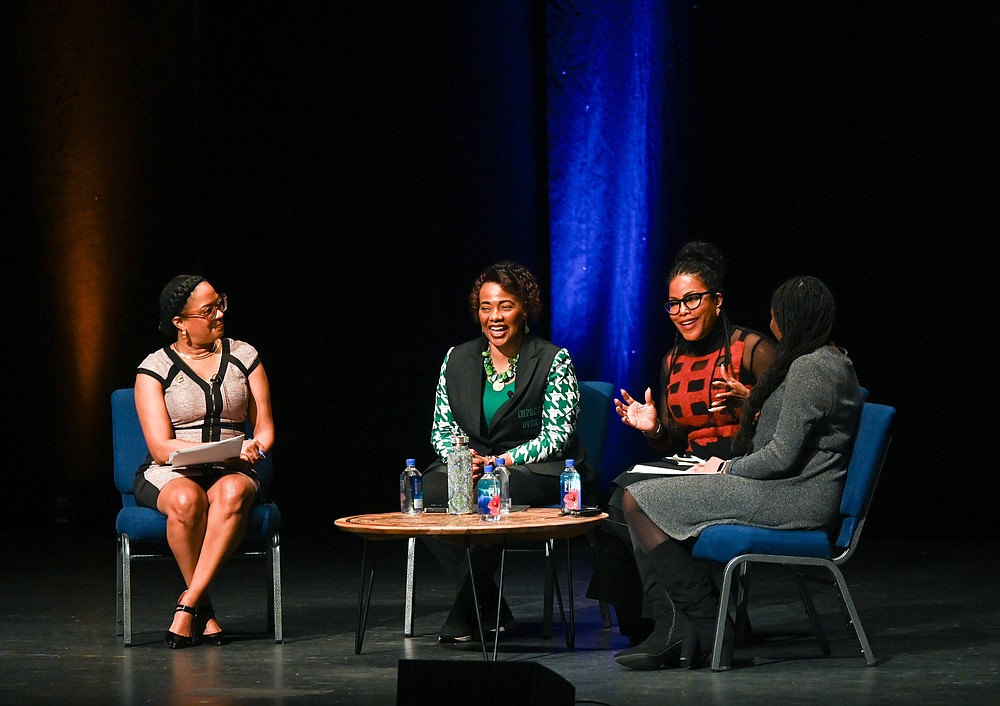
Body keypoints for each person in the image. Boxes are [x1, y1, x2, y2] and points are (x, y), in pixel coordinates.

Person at [614, 275, 863, 670]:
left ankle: (708, 624)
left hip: (791, 496)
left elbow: (780, 456)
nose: (772, 324)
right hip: (790, 489)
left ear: (790, 319)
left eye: (775, 316)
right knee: (642, 495)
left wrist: (725, 467)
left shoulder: (811, 368)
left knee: (636, 500)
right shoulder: (829, 360)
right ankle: (684, 628)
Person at [587, 241, 777, 643]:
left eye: (692, 300)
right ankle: (655, 623)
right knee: (615, 505)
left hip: (740, 468)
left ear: (717, 300)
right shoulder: (672, 360)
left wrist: (749, 402)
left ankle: (676, 623)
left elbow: (789, 421)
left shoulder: (753, 350)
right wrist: (654, 428)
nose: (683, 312)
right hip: (692, 465)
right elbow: (674, 439)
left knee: (627, 494)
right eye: (674, 304)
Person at [421, 260, 593, 643]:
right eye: (486, 307)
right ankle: (489, 603)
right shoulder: (457, 359)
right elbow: (442, 428)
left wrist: (500, 462)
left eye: (505, 305)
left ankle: (469, 609)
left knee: (492, 492)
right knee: (427, 494)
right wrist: (464, 463)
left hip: (537, 469)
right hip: (473, 465)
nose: (494, 316)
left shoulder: (553, 359)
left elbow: (557, 436)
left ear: (525, 308)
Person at [133, 275, 275, 649]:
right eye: (207, 310)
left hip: (235, 468)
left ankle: (188, 604)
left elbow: (264, 429)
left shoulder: (245, 356)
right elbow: (161, 447)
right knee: (185, 500)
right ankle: (204, 608)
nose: (219, 315)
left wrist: (253, 447)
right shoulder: (154, 368)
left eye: (220, 304)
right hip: (170, 470)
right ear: (179, 322)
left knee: (230, 493)